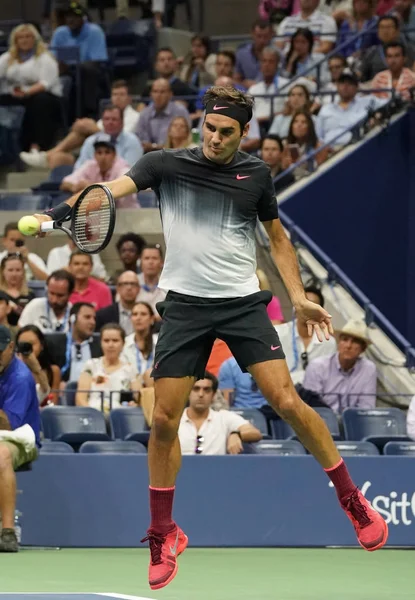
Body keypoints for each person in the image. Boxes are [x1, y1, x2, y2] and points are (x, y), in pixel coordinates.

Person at [34, 84, 388, 591]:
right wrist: (55, 215)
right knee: (161, 420)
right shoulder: (165, 165)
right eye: (209, 127)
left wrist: (298, 295)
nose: (214, 138)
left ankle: (351, 497)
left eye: (226, 131)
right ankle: (163, 531)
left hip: (243, 304)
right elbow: (105, 191)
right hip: (184, 308)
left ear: (243, 133)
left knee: (286, 399)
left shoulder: (256, 174)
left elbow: (278, 237)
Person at [21, 79, 140, 169]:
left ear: (129, 98)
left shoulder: (135, 117)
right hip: (92, 156)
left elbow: (116, 135)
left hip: (118, 156)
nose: (117, 98)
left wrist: (88, 126)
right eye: (115, 94)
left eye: (121, 95)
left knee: (83, 126)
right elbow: (98, 134)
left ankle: (46, 154)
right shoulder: (104, 117)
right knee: (57, 159)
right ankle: (48, 155)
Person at [0, 325, 40, 552]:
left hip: (19, 438)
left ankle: (7, 533)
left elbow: (9, 423)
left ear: (11, 347)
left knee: (1, 454)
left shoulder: (20, 377)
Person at [0, 23, 62, 152]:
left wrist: (26, 92)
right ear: (15, 41)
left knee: (40, 101)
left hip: (44, 96)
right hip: (15, 94)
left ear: (35, 39)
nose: (24, 40)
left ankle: (39, 144)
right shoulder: (7, 58)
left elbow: (45, 83)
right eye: (21, 37)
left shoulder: (45, 58)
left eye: (28, 36)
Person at [179, 372, 262, 455]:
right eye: (196, 389)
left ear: (213, 395)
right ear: (188, 393)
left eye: (206, 390)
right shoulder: (175, 420)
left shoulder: (224, 417)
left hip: (217, 467)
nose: (201, 394)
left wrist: (236, 434)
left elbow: (255, 433)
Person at [303, 319, 377, 413]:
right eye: (345, 340)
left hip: (353, 423)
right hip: (321, 421)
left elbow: (367, 408)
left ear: (363, 349)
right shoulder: (317, 367)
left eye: (355, 342)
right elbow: (311, 407)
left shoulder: (369, 369)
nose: (348, 346)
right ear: (339, 343)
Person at [50, 1, 108, 119]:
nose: (71, 20)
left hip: (90, 71)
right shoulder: (60, 33)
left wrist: (73, 67)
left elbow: (96, 61)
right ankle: (60, 120)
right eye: (68, 16)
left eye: (75, 16)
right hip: (64, 71)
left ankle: (90, 114)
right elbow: (52, 57)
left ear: (83, 17)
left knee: (85, 71)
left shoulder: (94, 31)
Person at [274, 285, 337, 384]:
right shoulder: (277, 334)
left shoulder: (329, 342)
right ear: (295, 307)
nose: (308, 310)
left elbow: (328, 378)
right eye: (304, 305)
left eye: (313, 306)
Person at [75, 323, 141, 412]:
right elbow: (80, 399)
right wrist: (94, 415)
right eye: (106, 340)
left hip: (119, 418)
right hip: (93, 416)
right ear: (101, 343)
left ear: (123, 343)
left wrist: (135, 405)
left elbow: (140, 399)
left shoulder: (130, 369)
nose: (110, 345)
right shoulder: (90, 365)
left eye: (115, 340)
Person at [60, 134, 139, 208]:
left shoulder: (122, 167)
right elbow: (65, 183)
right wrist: (75, 187)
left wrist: (90, 187)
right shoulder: (90, 165)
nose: (103, 157)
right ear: (95, 155)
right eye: (99, 152)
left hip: (128, 215)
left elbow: (120, 190)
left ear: (114, 155)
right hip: (103, 216)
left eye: (107, 152)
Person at [316, 70, 386, 145]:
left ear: (356, 87)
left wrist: (378, 115)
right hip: (332, 152)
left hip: (361, 146)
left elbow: (390, 104)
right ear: (337, 86)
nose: (345, 86)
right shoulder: (326, 109)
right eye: (342, 83)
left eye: (350, 83)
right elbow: (318, 137)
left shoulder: (368, 101)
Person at [46, 301, 101, 384]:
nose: (92, 322)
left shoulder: (100, 345)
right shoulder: (54, 344)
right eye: (87, 317)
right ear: (73, 318)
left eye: (94, 318)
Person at [136, 78, 191, 153]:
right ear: (151, 94)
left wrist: (154, 146)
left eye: (162, 92)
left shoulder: (181, 112)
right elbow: (144, 144)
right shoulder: (144, 114)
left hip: (177, 154)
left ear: (170, 94)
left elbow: (187, 139)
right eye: (155, 91)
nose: (158, 95)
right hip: (150, 157)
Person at [360, 15, 415, 82]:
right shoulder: (371, 52)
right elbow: (361, 75)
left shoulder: (410, 50)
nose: (385, 31)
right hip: (377, 87)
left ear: (397, 31)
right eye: (382, 27)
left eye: (389, 27)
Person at [16, 325, 60, 405]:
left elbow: (53, 404)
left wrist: (36, 368)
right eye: (23, 345)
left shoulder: (53, 371)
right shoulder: (11, 370)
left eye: (31, 344)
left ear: (41, 346)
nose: (27, 349)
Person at [248, 47, 290, 126]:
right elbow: (248, 113)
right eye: (264, 61)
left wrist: (265, 118)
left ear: (277, 64)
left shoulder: (286, 85)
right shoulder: (253, 89)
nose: (267, 65)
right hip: (257, 128)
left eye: (271, 61)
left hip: (278, 125)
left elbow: (287, 111)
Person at [95, 271, 145, 335]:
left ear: (139, 289)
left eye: (133, 284)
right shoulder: (103, 315)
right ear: (118, 288)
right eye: (125, 284)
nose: (129, 288)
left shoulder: (145, 314)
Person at [283, 109, 329, 177]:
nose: (299, 125)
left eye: (303, 122)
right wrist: (286, 164)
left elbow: (322, 174)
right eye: (295, 122)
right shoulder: (285, 146)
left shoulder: (319, 147)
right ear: (291, 126)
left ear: (309, 127)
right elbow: (282, 169)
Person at [234, 19, 275, 88]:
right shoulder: (241, 54)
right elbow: (236, 78)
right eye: (259, 36)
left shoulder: (278, 54)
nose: (262, 40)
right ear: (252, 34)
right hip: (246, 92)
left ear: (271, 35)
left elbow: (281, 79)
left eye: (265, 37)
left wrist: (257, 85)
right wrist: (243, 83)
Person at [123, 301, 158, 376]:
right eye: (135, 314)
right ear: (131, 319)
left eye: (143, 314)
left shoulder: (161, 343)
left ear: (152, 319)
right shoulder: (123, 343)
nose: (138, 318)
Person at [0, 253, 34, 327]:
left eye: (18, 270)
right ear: (3, 271)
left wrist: (16, 308)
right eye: (10, 270)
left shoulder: (30, 294)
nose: (14, 274)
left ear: (23, 272)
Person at [137, 245, 167, 315]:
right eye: (147, 258)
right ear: (140, 262)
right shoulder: (131, 282)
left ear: (162, 263)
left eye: (154, 258)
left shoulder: (169, 285)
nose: (150, 262)